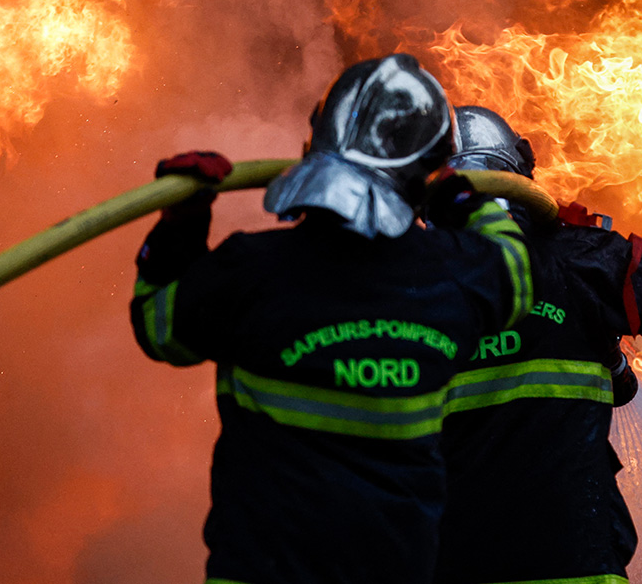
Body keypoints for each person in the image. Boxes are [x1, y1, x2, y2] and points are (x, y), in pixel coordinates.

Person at [129, 55, 533, 584]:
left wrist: (181, 224)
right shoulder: (455, 277)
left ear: (314, 146)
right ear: (429, 174)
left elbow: (158, 329)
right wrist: (467, 203)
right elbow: (516, 275)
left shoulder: (247, 271)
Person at [434, 105, 642, 584]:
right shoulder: (585, 260)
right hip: (575, 563)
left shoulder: (402, 282)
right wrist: (604, 264)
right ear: (521, 175)